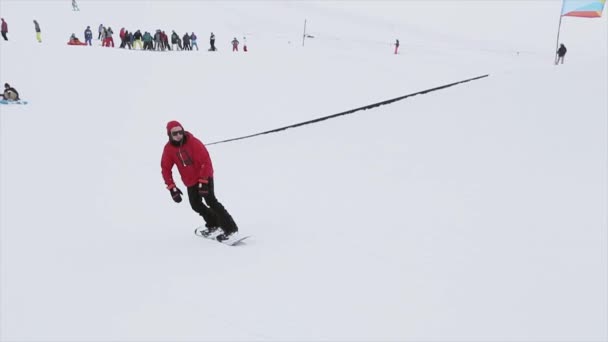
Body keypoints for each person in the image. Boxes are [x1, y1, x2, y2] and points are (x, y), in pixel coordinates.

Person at [161, 121, 239, 242]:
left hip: (204, 175)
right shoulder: (168, 149)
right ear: (169, 135)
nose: (178, 135)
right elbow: (165, 168)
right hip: (190, 180)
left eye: (180, 132)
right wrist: (172, 187)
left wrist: (203, 181)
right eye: (175, 133)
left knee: (211, 200)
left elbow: (206, 161)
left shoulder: (193, 142)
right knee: (195, 204)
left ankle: (230, 228)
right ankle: (213, 223)